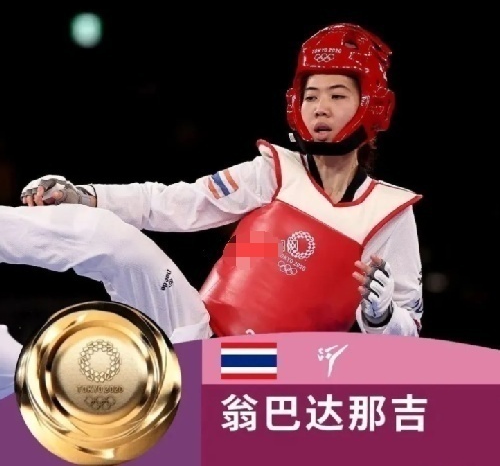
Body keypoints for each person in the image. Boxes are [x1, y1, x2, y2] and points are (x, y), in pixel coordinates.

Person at [0, 23, 424, 399]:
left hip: (265, 377)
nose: (320, 107)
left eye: (337, 95)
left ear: (371, 105)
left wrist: (383, 317)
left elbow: (409, 340)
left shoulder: (388, 214)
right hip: (194, 334)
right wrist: (87, 196)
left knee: (78, 384)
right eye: (311, 95)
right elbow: (174, 203)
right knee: (113, 240)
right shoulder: (273, 172)